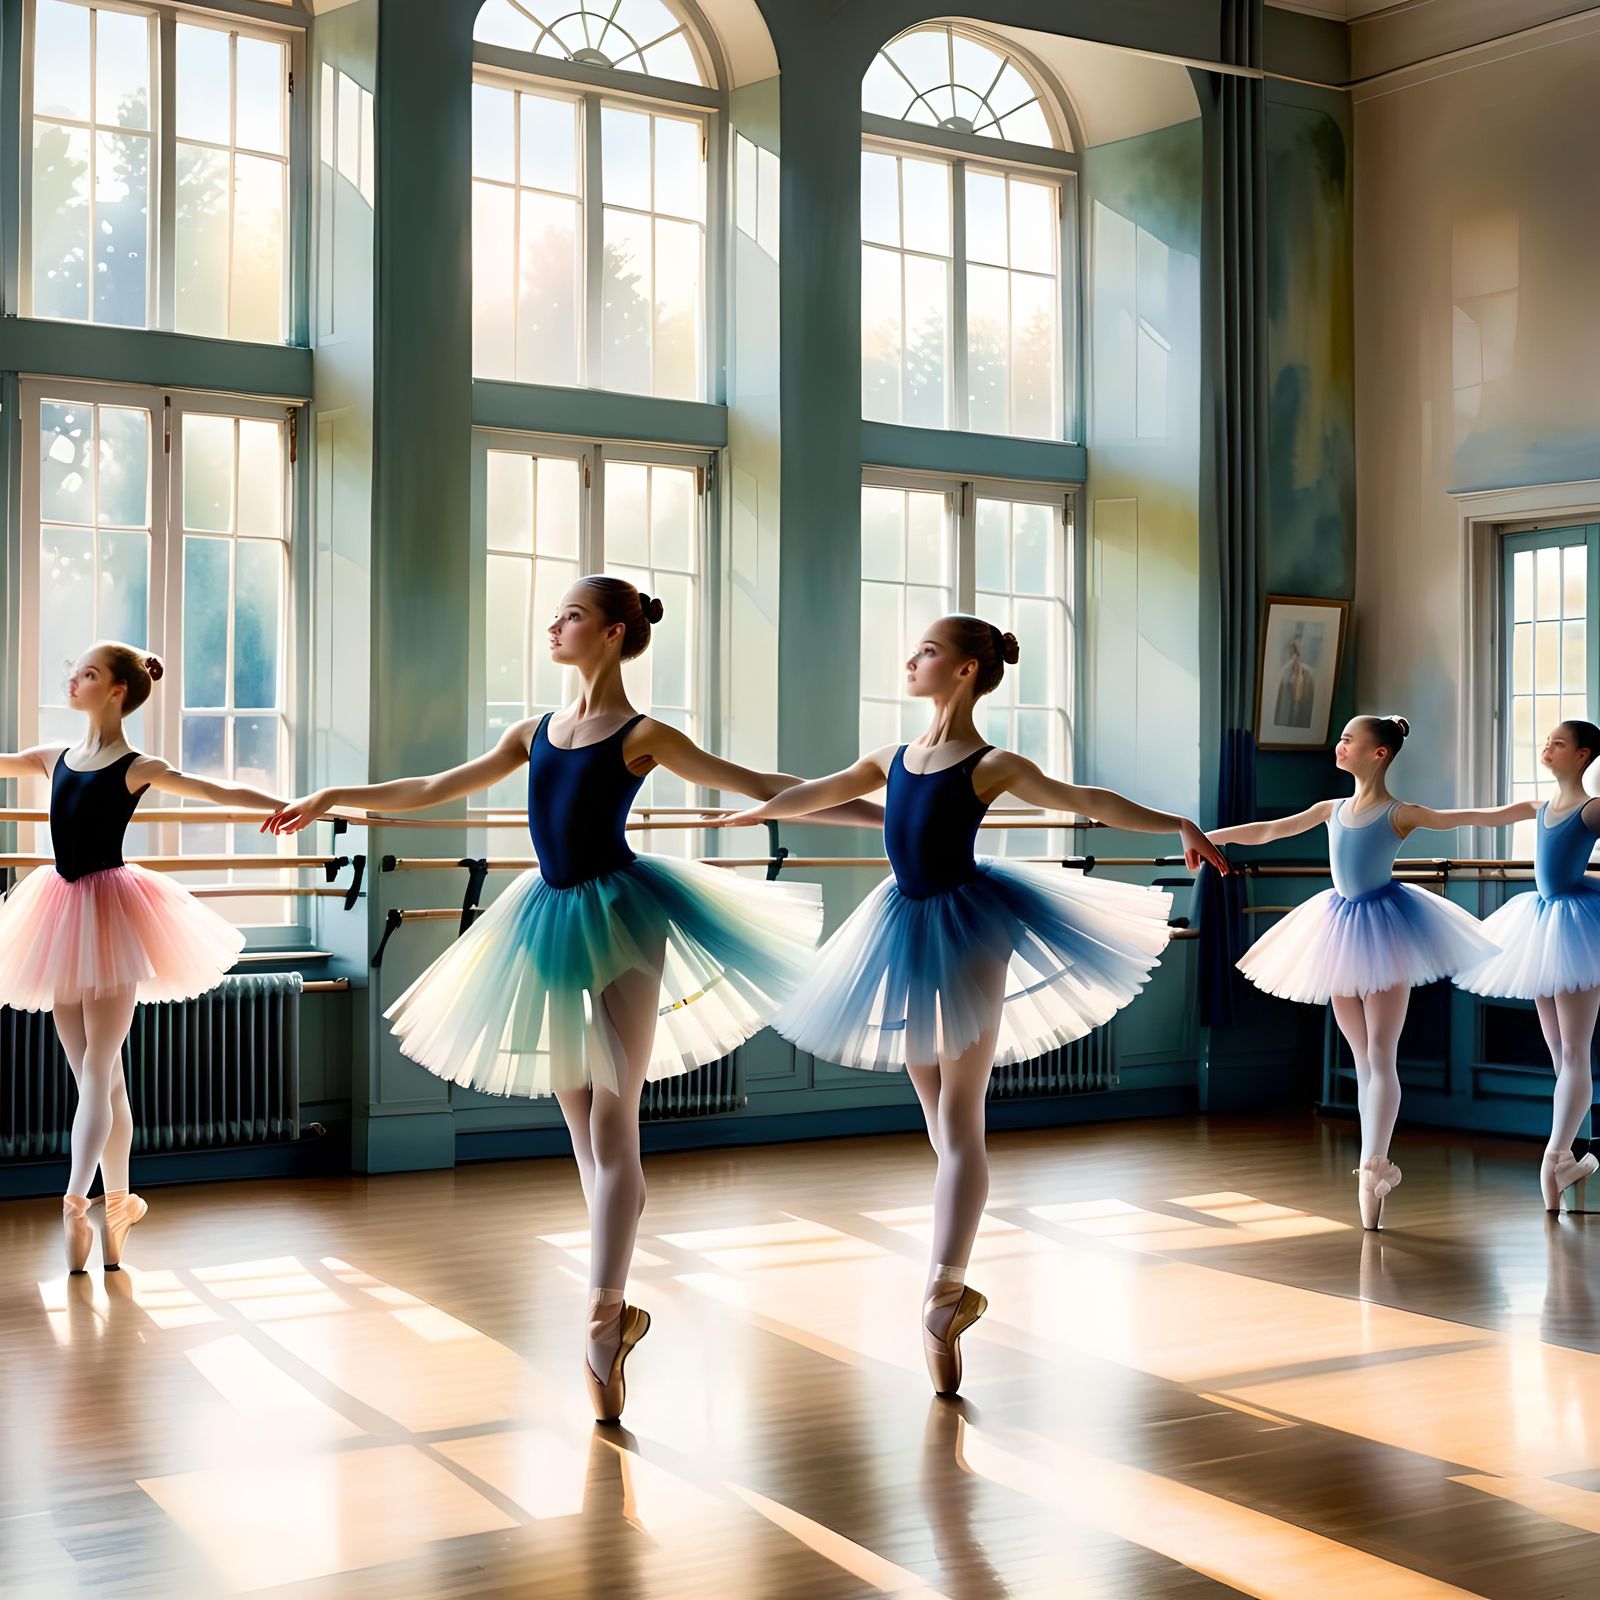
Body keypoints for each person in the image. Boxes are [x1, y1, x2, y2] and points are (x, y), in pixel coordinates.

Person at [265, 576, 878, 1422]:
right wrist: (337, 798)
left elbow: (756, 782)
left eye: (572, 615)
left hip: (625, 910)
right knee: (580, 1118)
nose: (553, 624)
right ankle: (616, 1304)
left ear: (616, 632)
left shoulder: (644, 732)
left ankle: (599, 1311)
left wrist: (895, 814)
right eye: (555, 614)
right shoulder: (534, 732)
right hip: (545, 916)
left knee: (613, 1114)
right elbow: (433, 787)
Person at [714, 614, 1227, 1395]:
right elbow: (821, 790)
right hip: (904, 924)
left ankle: (943, 1289)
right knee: (944, 1123)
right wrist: (763, 810)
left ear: (963, 672)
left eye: (927, 651)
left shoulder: (991, 763)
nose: (910, 658)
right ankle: (946, 1291)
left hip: (970, 926)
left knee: (960, 1120)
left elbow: (1084, 798)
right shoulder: (892, 757)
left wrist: (1177, 822)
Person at [0, 643, 280, 1272]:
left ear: (119, 690)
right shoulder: (54, 758)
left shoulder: (136, 765)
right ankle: (115, 1202)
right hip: (67, 916)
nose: (73, 678)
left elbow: (217, 790)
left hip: (97, 916)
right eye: (76, 670)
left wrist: (288, 806)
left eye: (89, 673)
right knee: (103, 1076)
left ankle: (79, 1203)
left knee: (98, 1073)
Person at [1219, 715, 1500, 1227]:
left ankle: (1375, 1161)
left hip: (1389, 928)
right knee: (1362, 1057)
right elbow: (1270, 830)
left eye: (1349, 738)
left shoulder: (1399, 813)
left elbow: (1464, 818)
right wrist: (1206, 835)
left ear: (1379, 753)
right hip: (1337, 928)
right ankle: (1372, 1169)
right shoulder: (1332, 808)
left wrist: (1531, 810)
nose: (1339, 744)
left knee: (1381, 1052)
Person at [1456, 720, 1600, 1210]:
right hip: (1539, 925)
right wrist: (1412, 816)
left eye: (1559, 744)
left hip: (1578, 925)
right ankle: (1568, 1158)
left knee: (1575, 1050)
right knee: (1559, 1053)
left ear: (1582, 756)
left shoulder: (1592, 808)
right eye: (1546, 741)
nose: (1547, 748)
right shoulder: (1539, 808)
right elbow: (1482, 816)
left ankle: (1556, 1155)